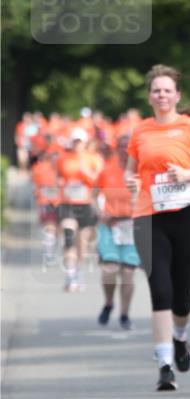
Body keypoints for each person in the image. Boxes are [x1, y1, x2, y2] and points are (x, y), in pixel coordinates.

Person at [125, 65, 190, 390]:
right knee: (160, 288)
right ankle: (164, 363)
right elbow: (131, 171)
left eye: (167, 90)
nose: (162, 95)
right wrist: (130, 180)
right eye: (156, 90)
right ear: (150, 96)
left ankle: (180, 337)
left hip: (188, 214)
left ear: (177, 96)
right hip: (148, 216)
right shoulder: (140, 131)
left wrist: (189, 175)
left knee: (182, 297)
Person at [94, 134, 141, 330]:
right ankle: (109, 302)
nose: (124, 150)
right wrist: (99, 212)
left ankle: (124, 314)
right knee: (109, 269)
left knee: (128, 272)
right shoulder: (108, 170)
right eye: (121, 146)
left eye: (128, 147)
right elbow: (92, 196)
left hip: (133, 226)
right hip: (110, 225)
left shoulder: (142, 172)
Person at [56, 129, 100, 291]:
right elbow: (58, 177)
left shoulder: (93, 159)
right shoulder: (63, 159)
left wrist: (87, 174)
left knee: (82, 244)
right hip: (67, 204)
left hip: (85, 204)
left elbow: (99, 181)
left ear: (85, 143)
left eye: (79, 141)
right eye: (75, 141)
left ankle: (78, 273)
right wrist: (61, 183)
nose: (77, 145)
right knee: (69, 238)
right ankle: (70, 275)